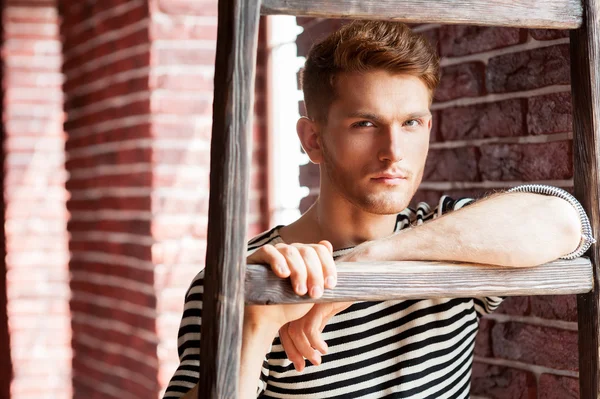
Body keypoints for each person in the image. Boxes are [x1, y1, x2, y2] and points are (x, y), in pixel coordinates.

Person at [163, 20, 593, 399]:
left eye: (409, 123)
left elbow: (567, 221)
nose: (393, 152)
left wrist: (359, 267)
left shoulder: (451, 238)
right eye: (365, 124)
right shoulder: (236, 277)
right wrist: (255, 329)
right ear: (313, 140)